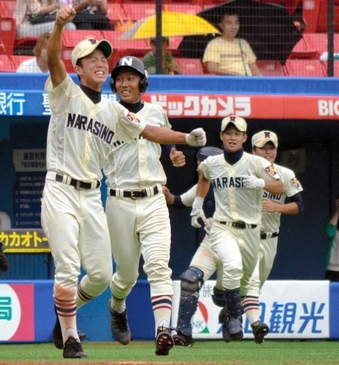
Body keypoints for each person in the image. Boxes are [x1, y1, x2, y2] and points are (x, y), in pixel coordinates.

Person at [43, 6, 206, 359]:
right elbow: (53, 57)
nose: (101, 62)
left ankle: (67, 315)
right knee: (70, 266)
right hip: (60, 188)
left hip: (92, 194)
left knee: (102, 275)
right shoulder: (65, 91)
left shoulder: (115, 111)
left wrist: (184, 140)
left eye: (104, 56)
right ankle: (71, 337)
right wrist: (59, 24)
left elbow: (148, 130)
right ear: (79, 67)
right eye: (92, 58)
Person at [104, 56, 196, 356]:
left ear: (142, 82)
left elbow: (163, 139)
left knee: (158, 266)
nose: (124, 83)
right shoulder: (108, 111)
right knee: (127, 274)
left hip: (155, 198)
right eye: (119, 78)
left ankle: (162, 330)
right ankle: (117, 305)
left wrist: (174, 154)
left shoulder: (155, 110)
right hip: (119, 200)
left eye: (131, 78)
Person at [190, 116, 284, 342]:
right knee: (233, 268)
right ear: (221, 136)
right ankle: (238, 320)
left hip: (257, 234)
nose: (232, 137)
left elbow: (282, 186)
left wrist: (261, 183)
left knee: (245, 285)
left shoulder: (257, 163)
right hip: (224, 228)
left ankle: (227, 306)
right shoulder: (213, 162)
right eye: (228, 133)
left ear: (244, 137)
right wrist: (197, 203)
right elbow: (203, 174)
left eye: (237, 133)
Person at [242, 130, 304, 342]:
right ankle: (256, 324)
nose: (267, 152)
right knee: (250, 281)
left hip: (270, 237)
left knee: (255, 286)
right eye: (263, 148)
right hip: (246, 236)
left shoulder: (286, 174)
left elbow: (299, 206)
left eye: (271, 148)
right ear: (253, 150)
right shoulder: (243, 170)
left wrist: (277, 207)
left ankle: (232, 313)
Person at [163, 146, 224, 347]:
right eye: (199, 163)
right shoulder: (201, 186)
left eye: (203, 164)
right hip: (211, 243)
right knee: (189, 280)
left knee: (227, 296)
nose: (200, 168)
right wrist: (167, 195)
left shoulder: (234, 183)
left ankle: (232, 314)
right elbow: (179, 201)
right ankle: (184, 332)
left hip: (237, 244)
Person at [202, 12, 262, 76]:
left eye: (236, 23)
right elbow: (211, 67)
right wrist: (233, 74)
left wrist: (262, 82)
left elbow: (253, 67)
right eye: (229, 23)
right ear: (221, 25)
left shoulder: (243, 43)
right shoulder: (214, 44)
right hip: (228, 82)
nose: (233, 27)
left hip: (247, 81)